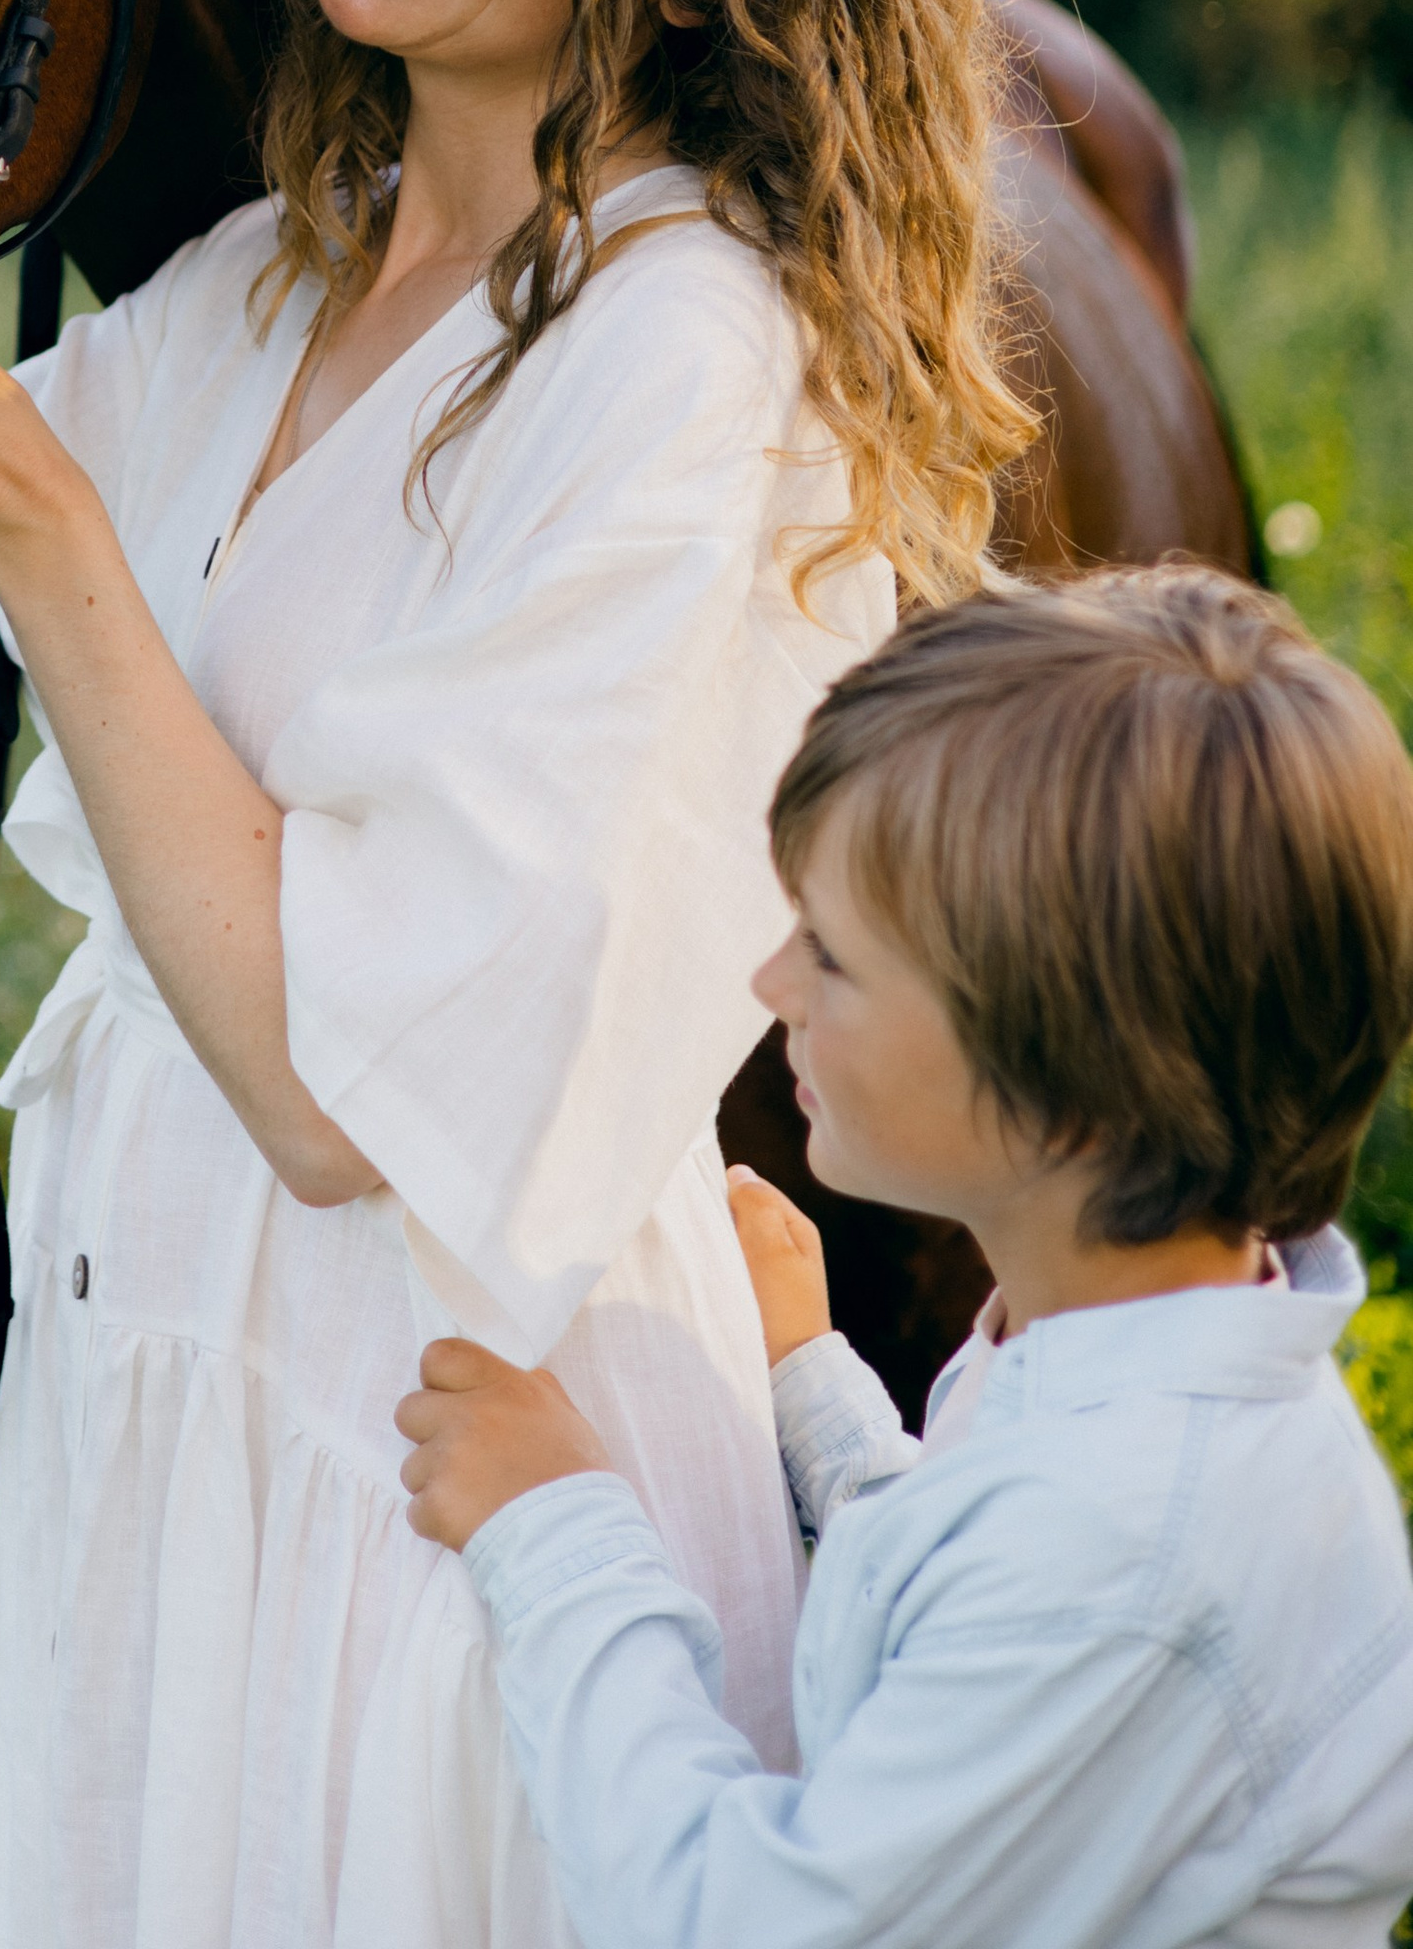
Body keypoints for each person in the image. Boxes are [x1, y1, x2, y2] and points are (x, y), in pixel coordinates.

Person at [0, 0, 1032, 1948]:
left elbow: (341, 1097)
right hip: (170, 1415)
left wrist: (47, 545)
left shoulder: (683, 364)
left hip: (436, 1479)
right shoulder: (282, 272)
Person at [398, 565, 1413, 1949]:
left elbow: (739, 1920)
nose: (770, 988)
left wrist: (556, 1531)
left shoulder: (1130, 1553)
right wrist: (817, 1388)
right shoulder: (1132, 1365)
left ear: (1069, 1087)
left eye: (832, 956)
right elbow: (964, 1602)